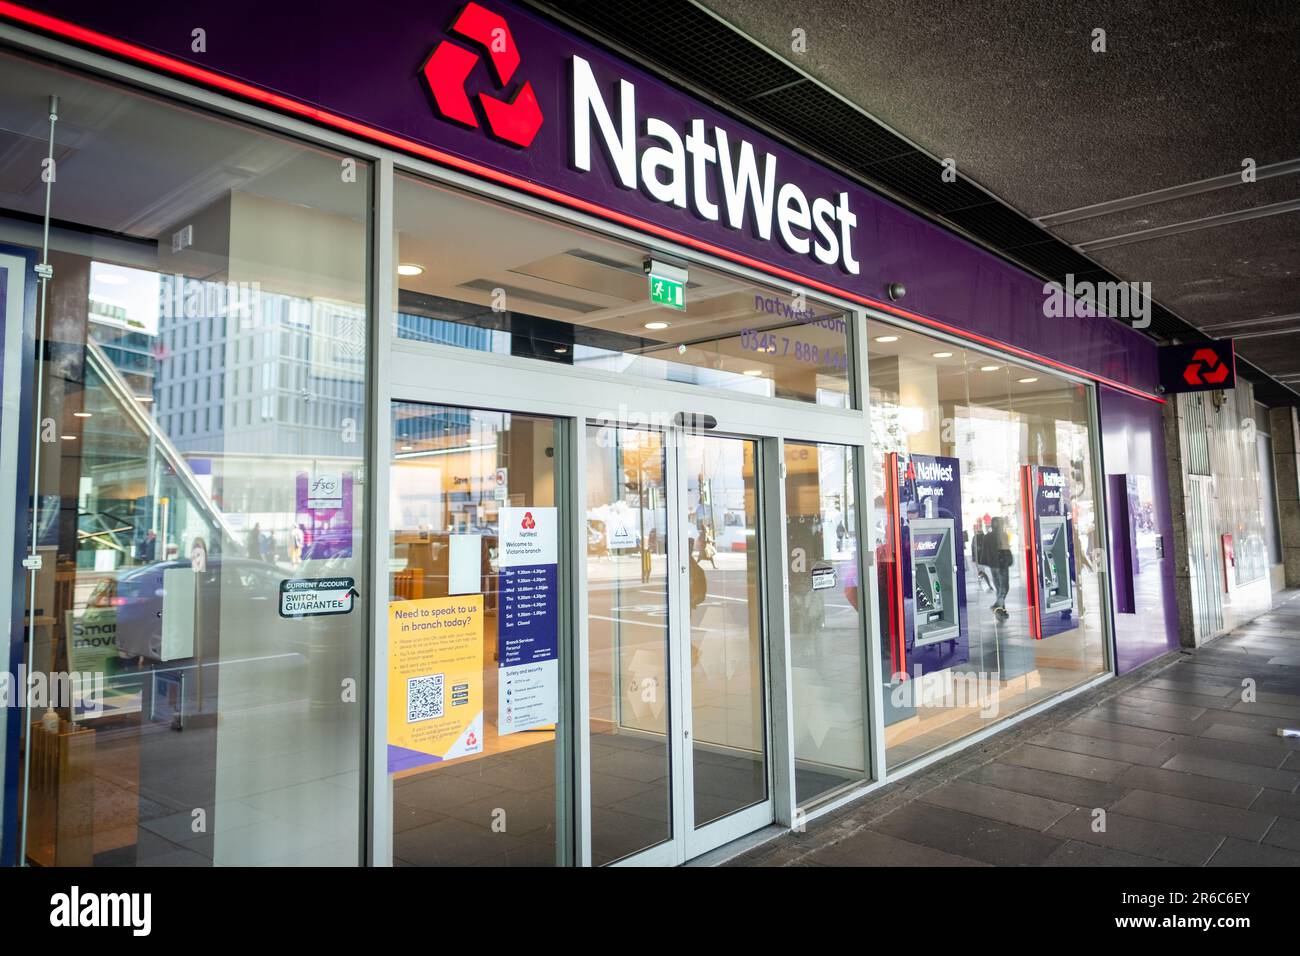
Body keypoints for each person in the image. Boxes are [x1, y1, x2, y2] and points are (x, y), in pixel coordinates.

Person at [982, 516, 1012, 619]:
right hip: (1002, 565)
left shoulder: (987, 536)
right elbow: (1005, 550)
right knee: (1004, 588)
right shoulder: (1002, 535)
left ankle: (1001, 611)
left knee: (999, 588)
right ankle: (997, 606)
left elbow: (984, 552)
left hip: (993, 566)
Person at [971, 521, 992, 592]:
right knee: (980, 572)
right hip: (978, 558)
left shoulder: (980, 537)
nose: (974, 530)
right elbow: (973, 548)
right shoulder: (975, 537)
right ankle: (981, 585)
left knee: (981, 572)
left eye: (975, 529)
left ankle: (989, 585)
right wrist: (974, 557)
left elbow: (982, 547)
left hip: (980, 558)